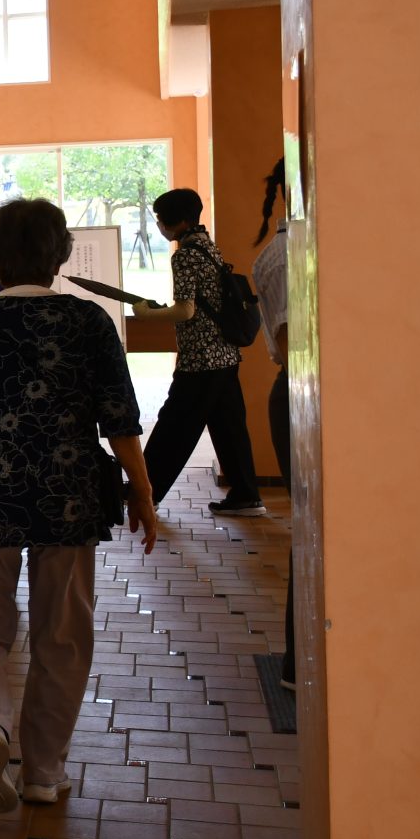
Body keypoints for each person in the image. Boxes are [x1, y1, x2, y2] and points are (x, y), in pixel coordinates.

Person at [0, 199, 159, 811]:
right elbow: (120, 419)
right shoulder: (89, 323)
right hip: (69, 496)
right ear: (62, 256)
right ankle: (44, 771)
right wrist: (142, 489)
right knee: (63, 633)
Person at [130, 188, 264, 516]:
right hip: (225, 356)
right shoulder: (208, 246)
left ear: (177, 220)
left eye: (161, 219)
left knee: (174, 426)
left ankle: (145, 493)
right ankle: (246, 495)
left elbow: (186, 310)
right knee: (229, 428)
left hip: (201, 360)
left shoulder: (186, 255)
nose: (159, 225)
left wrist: (147, 314)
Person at [250, 160, 295, 687]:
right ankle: (295, 663)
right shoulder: (286, 256)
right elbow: (292, 347)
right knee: (312, 534)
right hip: (300, 399)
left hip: (301, 397)